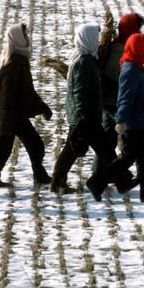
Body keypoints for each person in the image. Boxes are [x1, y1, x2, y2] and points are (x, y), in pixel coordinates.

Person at [49, 23, 135, 199]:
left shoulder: (89, 59)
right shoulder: (82, 62)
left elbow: (100, 81)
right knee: (71, 150)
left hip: (89, 116)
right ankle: (57, 183)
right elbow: (79, 92)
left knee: (105, 150)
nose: (97, 42)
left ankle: (122, 181)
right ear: (86, 39)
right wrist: (83, 116)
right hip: (84, 117)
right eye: (94, 39)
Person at [0, 23, 53, 187]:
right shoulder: (15, 64)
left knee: (24, 146)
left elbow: (27, 91)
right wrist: (6, 120)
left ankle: (38, 175)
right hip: (12, 115)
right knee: (26, 146)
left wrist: (42, 107)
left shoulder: (19, 60)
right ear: (18, 39)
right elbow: (8, 95)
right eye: (25, 36)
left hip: (15, 114)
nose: (28, 38)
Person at [109, 33, 144, 203]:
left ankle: (98, 181)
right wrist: (120, 120)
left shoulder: (136, 67)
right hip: (134, 122)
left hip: (137, 120)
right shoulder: (131, 70)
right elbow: (124, 98)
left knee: (140, 158)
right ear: (139, 49)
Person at [93, 12, 144, 180]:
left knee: (109, 139)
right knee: (126, 141)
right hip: (116, 100)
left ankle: (104, 173)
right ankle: (107, 174)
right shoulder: (120, 49)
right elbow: (118, 77)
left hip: (110, 99)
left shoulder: (119, 46)